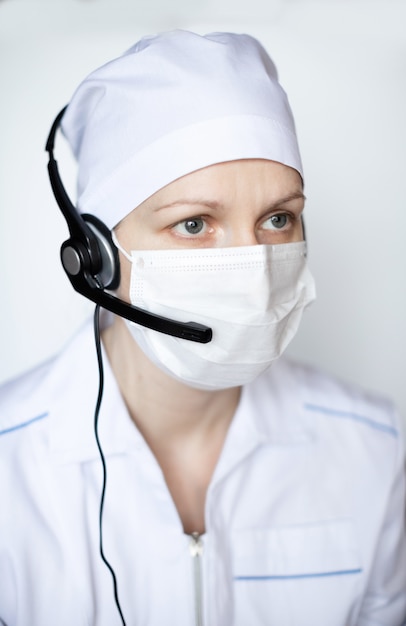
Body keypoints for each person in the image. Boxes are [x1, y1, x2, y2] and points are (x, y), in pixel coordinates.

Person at [0, 30, 405, 626]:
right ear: (97, 256)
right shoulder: (9, 470)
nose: (255, 274)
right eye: (194, 223)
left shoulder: (378, 450)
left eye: (277, 217)